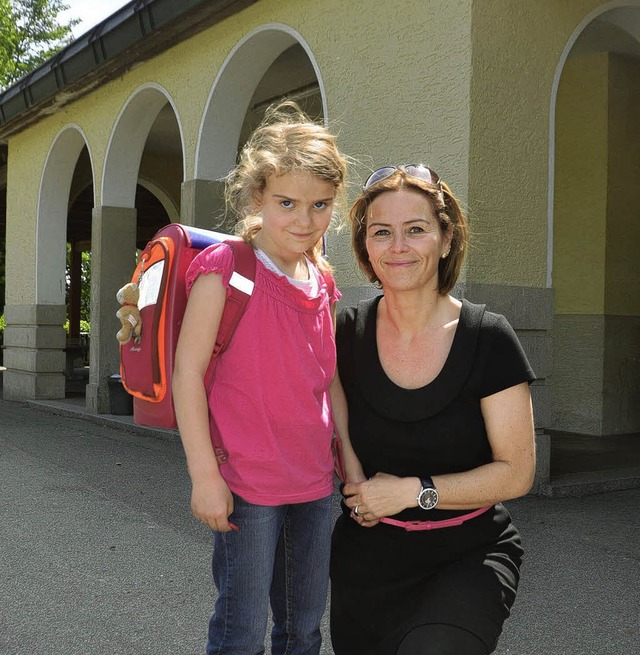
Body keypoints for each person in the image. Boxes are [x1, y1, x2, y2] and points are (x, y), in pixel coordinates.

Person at [330, 164, 536, 655]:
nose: (398, 246)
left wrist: (412, 491)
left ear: (446, 240)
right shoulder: (342, 333)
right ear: (366, 247)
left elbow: (517, 473)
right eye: (382, 232)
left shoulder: (489, 338)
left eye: (416, 229)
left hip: (468, 555)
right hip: (368, 564)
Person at [172, 102, 349, 655]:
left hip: (316, 483)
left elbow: (330, 380)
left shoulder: (322, 278)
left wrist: (354, 463)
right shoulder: (227, 268)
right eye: (287, 203)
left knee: (302, 629)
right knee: (241, 630)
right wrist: (205, 477)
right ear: (257, 199)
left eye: (320, 205)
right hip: (246, 484)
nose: (304, 219)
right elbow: (187, 373)